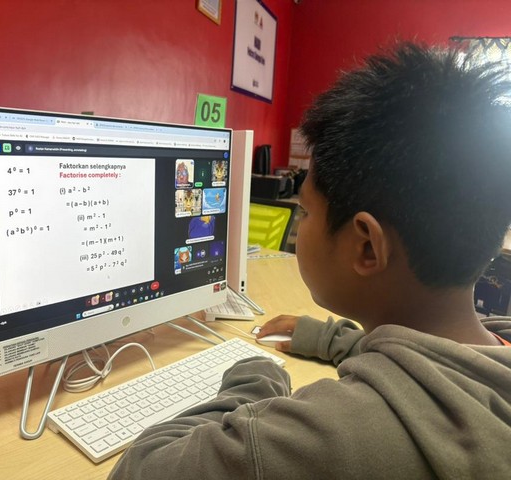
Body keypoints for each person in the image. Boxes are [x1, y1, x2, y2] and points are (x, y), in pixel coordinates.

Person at [108, 42, 511, 479]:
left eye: (305, 211)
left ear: (366, 247)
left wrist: (256, 379)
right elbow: (430, 368)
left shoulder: (335, 438)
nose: (301, 224)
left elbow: (140, 469)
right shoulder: (493, 352)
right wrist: (329, 338)